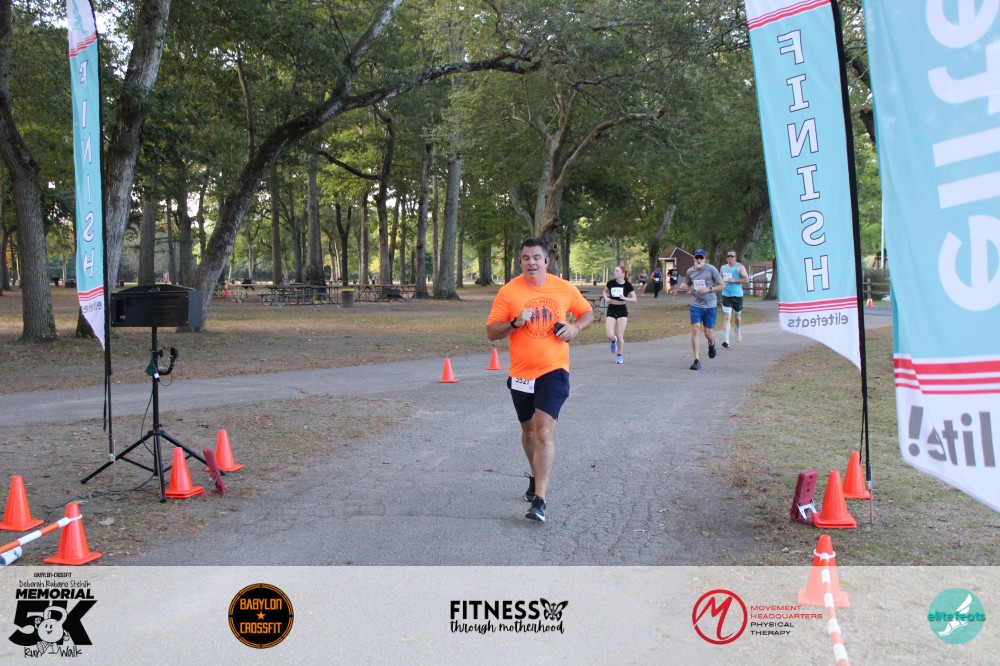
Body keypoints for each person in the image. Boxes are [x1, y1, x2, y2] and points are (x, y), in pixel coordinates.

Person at [486, 238, 594, 523]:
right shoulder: (509, 291)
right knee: (529, 433)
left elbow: (587, 313)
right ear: (520, 262)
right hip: (521, 374)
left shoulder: (563, 287)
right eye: (526, 258)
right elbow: (492, 332)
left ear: (547, 261)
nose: (531, 263)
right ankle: (535, 476)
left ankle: (540, 500)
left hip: (553, 370)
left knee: (544, 432)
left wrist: (575, 327)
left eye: (536, 258)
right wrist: (514, 323)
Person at [678, 248, 723, 370]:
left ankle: (712, 343)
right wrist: (684, 286)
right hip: (696, 305)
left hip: (710, 305)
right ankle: (696, 360)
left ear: (704, 259)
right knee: (695, 329)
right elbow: (688, 286)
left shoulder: (711, 269)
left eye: (701, 257)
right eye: (697, 257)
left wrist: (709, 289)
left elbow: (722, 285)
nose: (699, 260)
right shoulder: (690, 271)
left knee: (708, 333)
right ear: (694, 258)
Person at [602, 265, 637, 364]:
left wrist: (625, 298)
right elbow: (604, 292)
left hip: (622, 310)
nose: (615, 272)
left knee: (620, 335)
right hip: (611, 309)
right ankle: (613, 340)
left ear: (623, 274)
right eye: (615, 271)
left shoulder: (628, 285)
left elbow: (634, 299)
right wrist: (606, 298)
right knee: (610, 335)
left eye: (617, 271)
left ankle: (619, 355)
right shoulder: (611, 283)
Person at [720, 249, 749, 348]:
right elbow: (720, 279)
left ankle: (738, 330)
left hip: (737, 295)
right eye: (728, 256)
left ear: (735, 258)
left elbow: (746, 279)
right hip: (726, 295)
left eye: (732, 256)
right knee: (727, 317)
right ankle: (726, 340)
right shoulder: (723, 268)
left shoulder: (739, 267)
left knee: (737, 317)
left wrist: (734, 280)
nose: (729, 257)